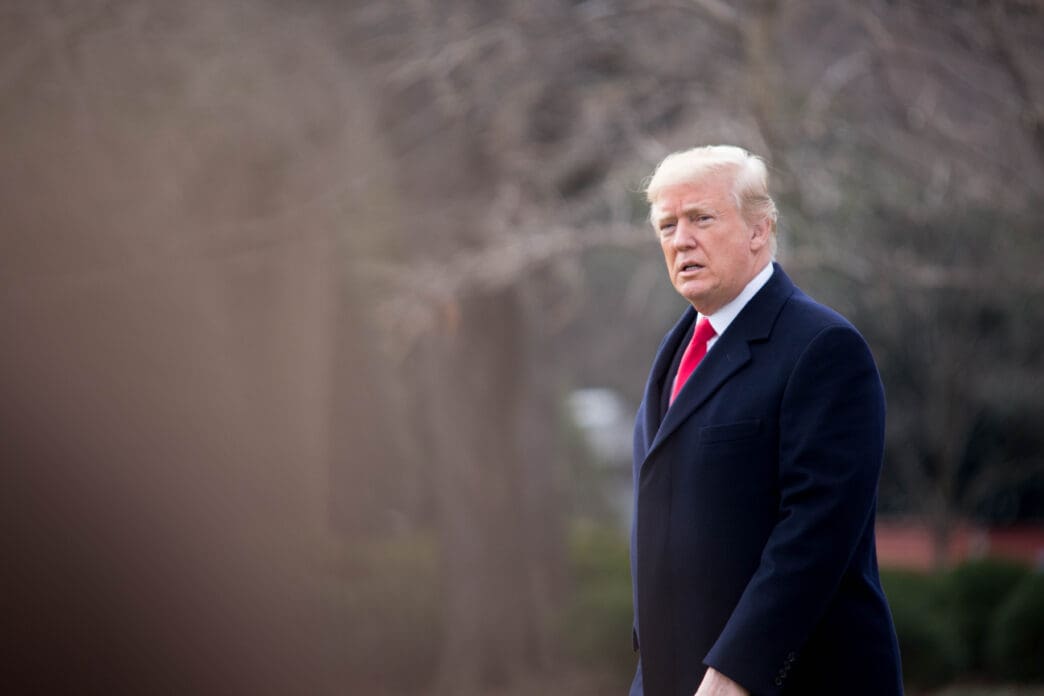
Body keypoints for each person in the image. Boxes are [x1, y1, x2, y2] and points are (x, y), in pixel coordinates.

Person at [629, 145, 903, 696]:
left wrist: (738, 670)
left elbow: (815, 534)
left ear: (760, 229)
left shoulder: (824, 348)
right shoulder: (677, 350)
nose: (681, 239)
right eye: (667, 225)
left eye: (701, 218)